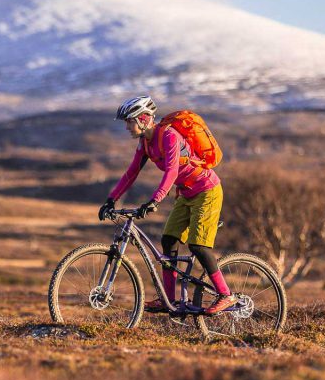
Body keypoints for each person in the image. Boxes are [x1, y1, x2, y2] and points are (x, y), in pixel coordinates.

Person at [98, 95, 237, 315]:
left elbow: (172, 171)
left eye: (129, 121)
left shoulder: (169, 136)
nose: (126, 126)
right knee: (168, 241)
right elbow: (131, 173)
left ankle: (226, 294)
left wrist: (155, 199)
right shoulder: (145, 143)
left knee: (198, 245)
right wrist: (110, 199)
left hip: (207, 191)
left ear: (143, 119)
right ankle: (168, 300)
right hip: (186, 193)